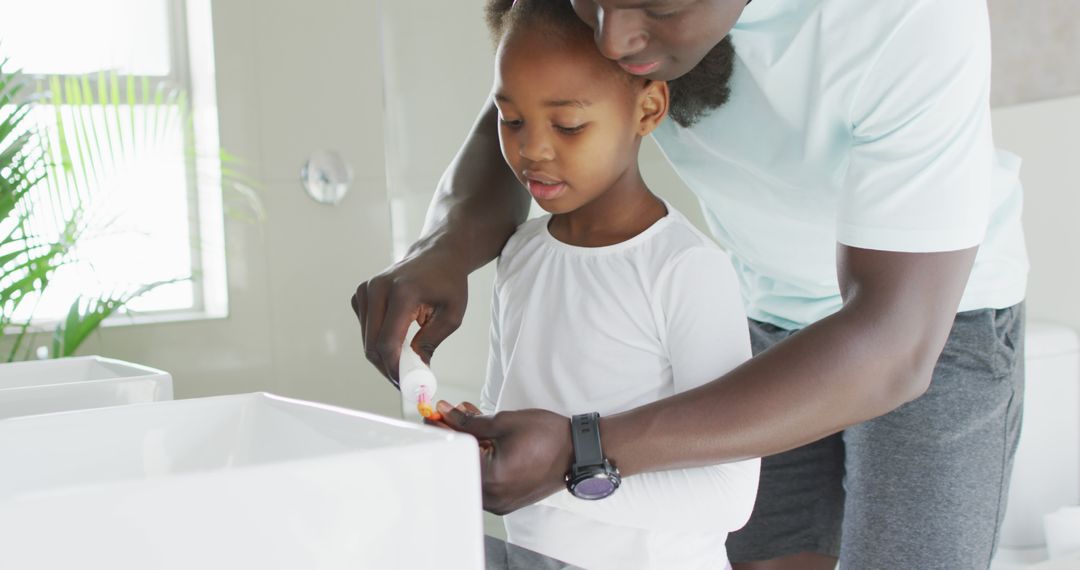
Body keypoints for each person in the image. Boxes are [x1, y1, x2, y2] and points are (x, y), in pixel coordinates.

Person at [352, 0, 1028, 568]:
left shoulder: (905, 17)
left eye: (658, 6)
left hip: (931, 325)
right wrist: (441, 250)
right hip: (760, 309)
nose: (612, 37)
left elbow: (893, 340)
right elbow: (534, 100)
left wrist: (581, 453)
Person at [458, 1, 759, 569]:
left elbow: (728, 496)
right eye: (511, 120)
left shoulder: (687, 270)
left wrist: (560, 478)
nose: (532, 149)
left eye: (567, 124)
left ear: (647, 108)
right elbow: (508, 421)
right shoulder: (521, 252)